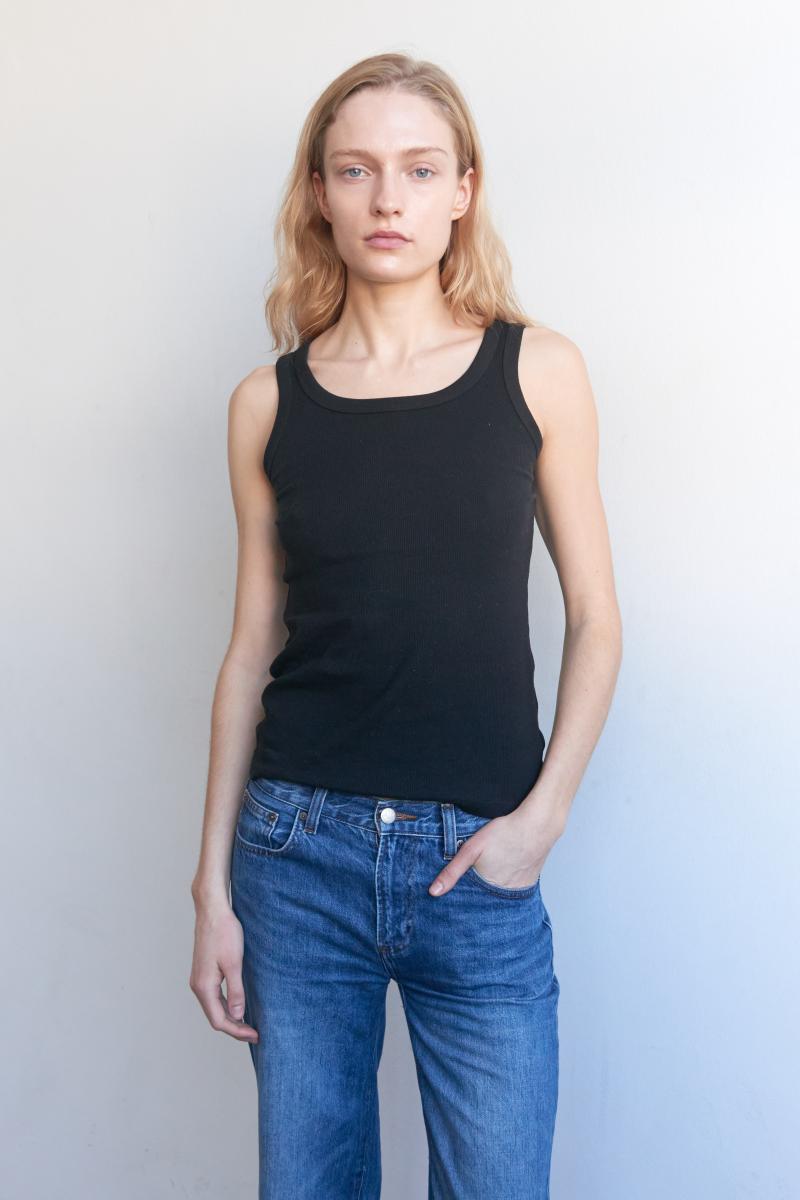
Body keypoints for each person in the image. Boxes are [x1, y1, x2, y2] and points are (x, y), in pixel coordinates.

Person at [189, 51, 622, 1200]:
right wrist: (210, 891)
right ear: (318, 193)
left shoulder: (536, 371)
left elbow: (595, 618)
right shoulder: (265, 404)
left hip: (477, 860)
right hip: (295, 858)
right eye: (356, 170)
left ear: (462, 190)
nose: (388, 199)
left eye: (419, 169)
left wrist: (541, 819)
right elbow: (248, 653)